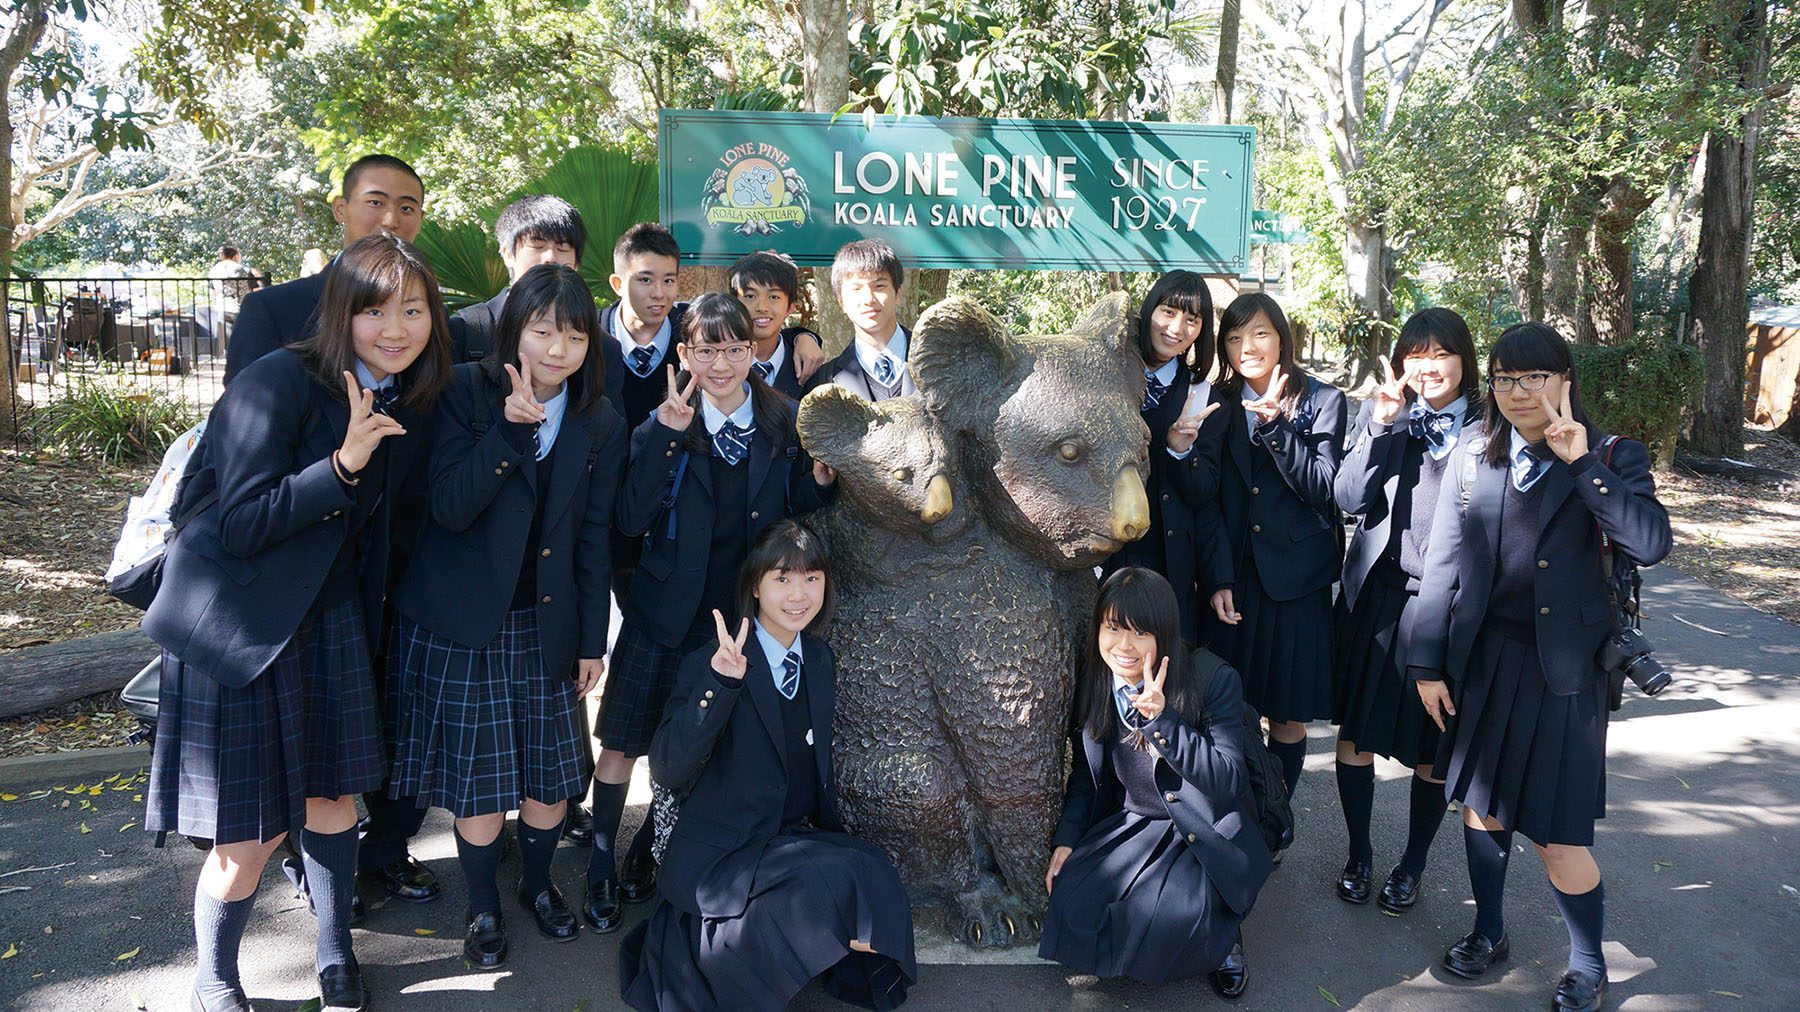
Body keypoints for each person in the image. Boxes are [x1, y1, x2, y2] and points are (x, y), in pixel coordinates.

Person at [142, 233, 454, 1012]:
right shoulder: (275, 381)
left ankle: (334, 949)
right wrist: (341, 465)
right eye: (376, 311)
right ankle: (215, 976)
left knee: (334, 804)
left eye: (413, 311)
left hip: (330, 623)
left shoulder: (401, 396)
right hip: (241, 634)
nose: (396, 328)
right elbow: (242, 523)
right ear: (340, 314)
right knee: (245, 836)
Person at [1406, 323, 1670, 1012]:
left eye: (1533, 378)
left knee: (1558, 837)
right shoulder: (1474, 452)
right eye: (1504, 378)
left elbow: (1649, 542)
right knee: (1482, 808)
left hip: (1565, 676)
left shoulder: (1612, 453)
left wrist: (1584, 466)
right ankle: (1489, 931)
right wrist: (1427, 662)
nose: (1518, 392)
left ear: (1564, 381)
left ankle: (1589, 963)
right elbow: (1443, 564)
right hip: (1484, 663)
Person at [224, 153, 457, 910]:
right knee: (308, 751)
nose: (393, 218)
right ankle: (311, 866)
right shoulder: (273, 317)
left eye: (410, 206)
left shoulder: (429, 318)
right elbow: (246, 460)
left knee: (385, 727)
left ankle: (382, 854)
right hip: (297, 577)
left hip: (397, 566)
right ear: (341, 208)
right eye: (377, 201)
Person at [385, 263, 626, 967]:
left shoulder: (597, 419)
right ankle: (485, 905)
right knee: (481, 788)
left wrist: (591, 640)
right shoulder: (461, 391)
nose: (557, 349)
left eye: (574, 335)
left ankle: (540, 884)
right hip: (463, 624)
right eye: (542, 330)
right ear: (513, 329)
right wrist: (509, 433)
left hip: (543, 623)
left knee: (552, 785)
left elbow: (591, 537)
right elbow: (450, 507)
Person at [587, 293, 838, 935]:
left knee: (703, 746)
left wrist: (825, 477)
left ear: (753, 350)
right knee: (625, 741)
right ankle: (598, 863)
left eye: (733, 348)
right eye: (707, 349)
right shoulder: (664, 420)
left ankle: (651, 847)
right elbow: (630, 517)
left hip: (740, 620)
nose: (721, 363)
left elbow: (798, 501)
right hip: (663, 611)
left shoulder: (783, 421)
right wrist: (665, 438)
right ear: (685, 354)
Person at [619, 520, 916, 1011]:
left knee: (872, 869)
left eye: (812, 577)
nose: (799, 593)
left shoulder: (819, 660)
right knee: (837, 879)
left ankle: (810, 954)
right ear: (754, 587)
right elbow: (668, 768)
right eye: (782, 579)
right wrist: (721, 684)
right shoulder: (714, 661)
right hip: (727, 850)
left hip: (789, 838)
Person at [1040, 567, 1272, 1000]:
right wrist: (1067, 839)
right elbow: (1087, 781)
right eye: (1112, 628)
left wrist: (1162, 721)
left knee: (1172, 918)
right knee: (1070, 900)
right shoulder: (1097, 679)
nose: (1124, 647)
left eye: (1140, 632)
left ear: (1163, 634)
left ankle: (1225, 939)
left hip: (1202, 828)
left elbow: (1225, 780)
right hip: (1134, 820)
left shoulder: (1213, 679)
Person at [1330, 308, 1483, 912]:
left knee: (1432, 748)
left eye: (1441, 353)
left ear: (1464, 360)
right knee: (1357, 732)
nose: (1429, 367)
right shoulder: (1393, 421)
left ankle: (1412, 863)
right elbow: (1346, 497)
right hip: (1380, 601)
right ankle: (1359, 852)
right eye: (1416, 356)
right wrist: (1381, 424)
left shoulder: (1490, 430)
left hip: (1448, 610)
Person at [1202, 292, 1346, 807]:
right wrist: (1218, 577)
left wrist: (1274, 426)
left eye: (1260, 333)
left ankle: (1275, 816)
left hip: (1296, 582)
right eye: (1235, 337)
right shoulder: (1215, 401)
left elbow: (1324, 488)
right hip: (1235, 580)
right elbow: (1210, 499)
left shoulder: (1323, 400)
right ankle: (1237, 810)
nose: (1248, 346)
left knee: (1286, 715)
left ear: (1282, 338)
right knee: (1230, 705)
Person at [1102, 270, 1225, 647]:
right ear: (1149, 310)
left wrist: (1180, 450)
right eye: (1169, 312)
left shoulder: (1203, 396)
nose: (1178, 327)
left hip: (1166, 561)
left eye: (1192, 319)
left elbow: (1206, 494)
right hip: (1102, 551)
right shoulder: (1106, 377)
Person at [455, 195, 587, 365]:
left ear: (575, 264)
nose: (550, 257)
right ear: (508, 254)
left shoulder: (601, 344)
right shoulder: (465, 330)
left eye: (563, 248)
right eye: (537, 246)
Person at [808, 239, 912, 401]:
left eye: (879, 286)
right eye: (856, 289)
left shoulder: (941, 362)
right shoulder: (824, 382)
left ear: (898, 294)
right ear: (841, 302)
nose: (868, 299)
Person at [728, 250, 821, 400]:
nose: (762, 307)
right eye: (750, 296)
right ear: (734, 303)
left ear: (791, 306)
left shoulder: (809, 366)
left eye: (774, 297)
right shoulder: (718, 363)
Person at [207, 245, 256, 344]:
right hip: (241, 306)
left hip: (222, 307)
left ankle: (229, 358)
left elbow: (212, 291)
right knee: (244, 338)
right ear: (235, 256)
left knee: (228, 340)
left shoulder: (214, 270)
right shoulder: (243, 269)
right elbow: (255, 288)